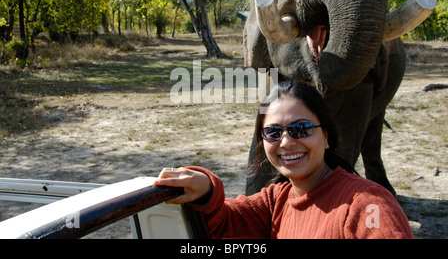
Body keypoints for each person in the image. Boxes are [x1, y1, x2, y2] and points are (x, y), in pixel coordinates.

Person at [154, 81, 414, 239]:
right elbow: (222, 222)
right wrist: (207, 187)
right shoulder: (277, 201)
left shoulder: (368, 205)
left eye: (301, 129)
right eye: (274, 132)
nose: (287, 142)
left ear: (325, 136)